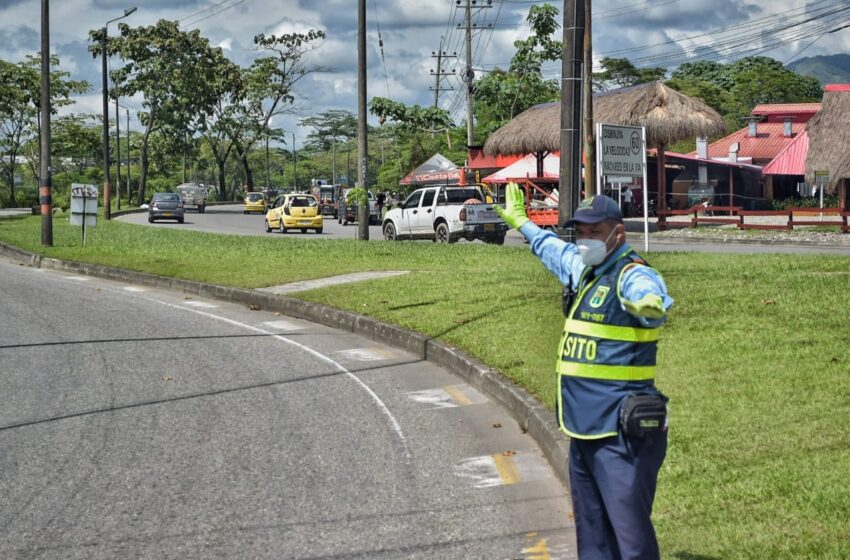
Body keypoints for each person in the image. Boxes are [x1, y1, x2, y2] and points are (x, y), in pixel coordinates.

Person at [495, 183, 673, 560]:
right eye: (581, 232)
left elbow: (647, 287)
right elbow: (551, 250)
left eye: (594, 233)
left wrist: (650, 301)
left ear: (617, 234)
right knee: (591, 535)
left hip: (620, 436)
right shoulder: (585, 270)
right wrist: (523, 222)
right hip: (582, 429)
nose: (584, 240)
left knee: (631, 539)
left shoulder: (630, 274)